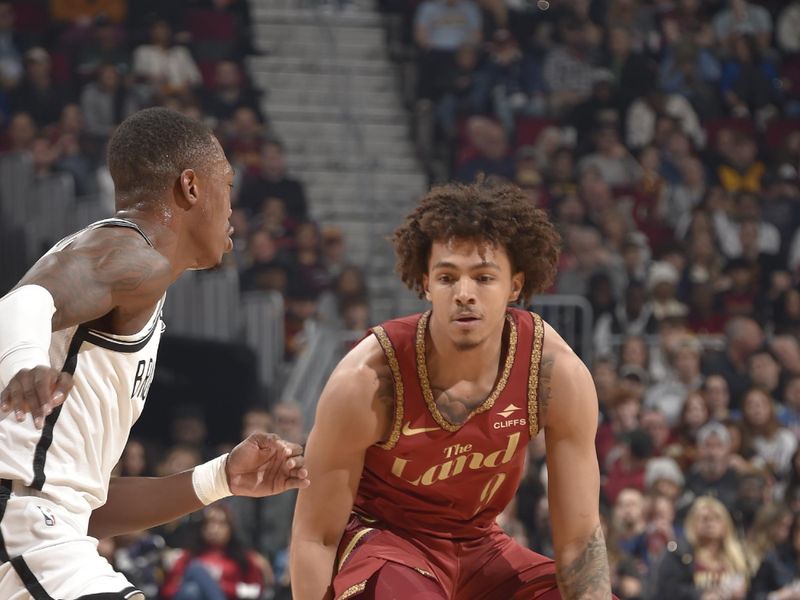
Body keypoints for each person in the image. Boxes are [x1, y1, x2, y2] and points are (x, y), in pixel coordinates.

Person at [0, 107, 310, 600]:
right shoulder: (131, 254)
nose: (234, 209)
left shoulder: (134, 277)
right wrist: (21, 363)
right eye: (226, 186)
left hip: (43, 532)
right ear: (191, 187)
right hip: (26, 538)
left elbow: (89, 507)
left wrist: (221, 477)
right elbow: (23, 302)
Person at [291, 181, 613, 599]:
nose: (464, 294)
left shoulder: (554, 373)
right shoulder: (369, 378)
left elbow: (579, 541)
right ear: (425, 283)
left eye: (483, 277)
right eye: (447, 277)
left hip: (479, 544)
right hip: (382, 544)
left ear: (515, 286)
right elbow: (315, 537)